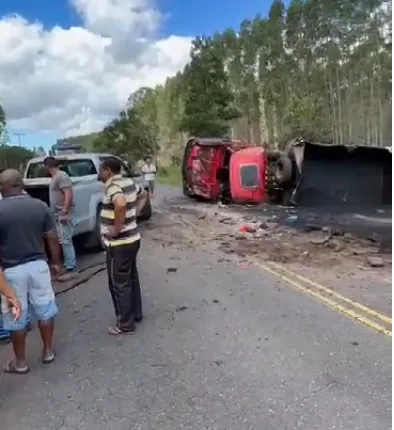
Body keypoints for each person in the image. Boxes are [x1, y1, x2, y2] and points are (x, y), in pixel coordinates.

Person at [0, 169, 62, 374]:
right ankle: (47, 352)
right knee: (45, 309)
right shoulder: (40, 206)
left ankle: (20, 362)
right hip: (39, 266)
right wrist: (56, 263)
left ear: (4, 186)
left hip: (11, 271)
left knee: (16, 316)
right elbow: (52, 237)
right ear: (21, 184)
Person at [98, 157, 148, 335]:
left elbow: (120, 203)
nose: (100, 172)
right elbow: (143, 194)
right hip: (133, 238)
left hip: (119, 242)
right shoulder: (129, 182)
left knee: (119, 282)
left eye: (101, 169)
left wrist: (117, 228)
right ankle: (136, 313)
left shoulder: (113, 186)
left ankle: (125, 323)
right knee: (131, 277)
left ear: (108, 171)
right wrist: (136, 213)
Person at [43, 156, 77, 274]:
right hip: (57, 213)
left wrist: (64, 210)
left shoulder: (61, 176)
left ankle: (71, 266)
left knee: (66, 240)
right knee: (63, 239)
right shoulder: (56, 177)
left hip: (63, 213)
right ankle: (68, 264)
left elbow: (68, 193)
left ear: (47, 166)